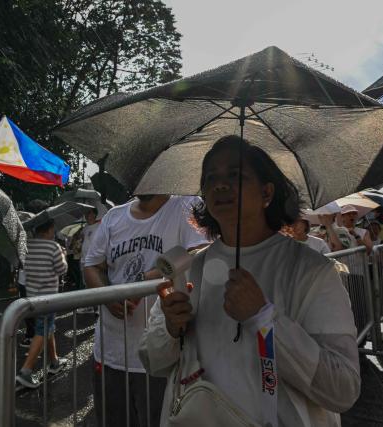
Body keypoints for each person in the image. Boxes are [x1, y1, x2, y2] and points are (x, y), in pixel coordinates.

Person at [139, 135, 360, 427]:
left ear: (267, 192)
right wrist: (170, 328)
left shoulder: (313, 271)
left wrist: (265, 318)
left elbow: (342, 388)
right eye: (210, 178)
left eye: (236, 175)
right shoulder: (189, 268)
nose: (220, 184)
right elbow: (151, 360)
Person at [84, 193, 208, 427]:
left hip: (159, 355)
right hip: (109, 352)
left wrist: (146, 279)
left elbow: (203, 252)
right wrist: (109, 296)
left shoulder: (186, 206)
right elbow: (92, 265)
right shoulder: (113, 216)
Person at [16, 219, 69, 388]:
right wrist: (63, 255)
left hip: (32, 297)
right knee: (43, 329)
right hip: (48, 298)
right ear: (48, 230)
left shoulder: (27, 246)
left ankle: (54, 362)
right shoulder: (53, 247)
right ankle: (26, 371)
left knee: (47, 327)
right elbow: (62, 269)